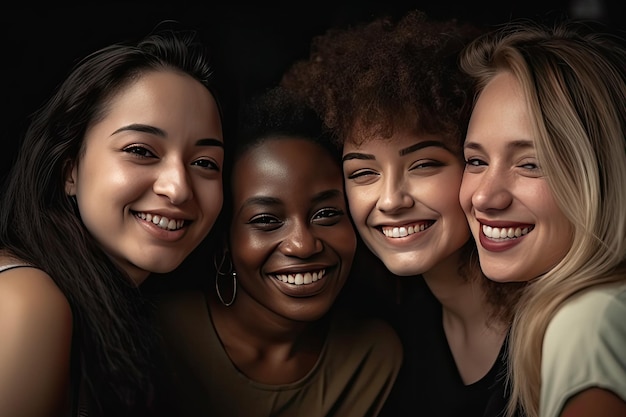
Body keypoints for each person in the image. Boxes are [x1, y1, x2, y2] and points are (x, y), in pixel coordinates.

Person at [280, 9, 526, 417]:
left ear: (476, 162)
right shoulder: (395, 330)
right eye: (363, 172)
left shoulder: (554, 323)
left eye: (424, 164)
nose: (391, 200)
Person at [0, 25, 225, 417]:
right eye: (140, 150)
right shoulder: (29, 301)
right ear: (69, 169)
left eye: (205, 163)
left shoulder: (127, 320)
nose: (179, 188)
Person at [153, 85, 402, 417]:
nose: (303, 244)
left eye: (326, 214)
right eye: (267, 219)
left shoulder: (372, 358)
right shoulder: (155, 334)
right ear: (224, 236)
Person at [459, 19, 626, 417]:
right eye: (476, 160)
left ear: (601, 176)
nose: (484, 196)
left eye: (531, 164)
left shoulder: (588, 323)